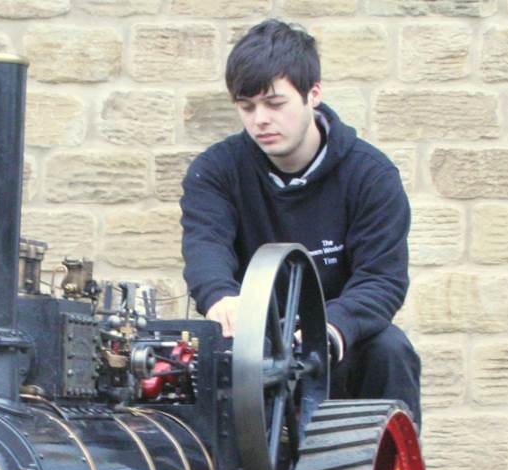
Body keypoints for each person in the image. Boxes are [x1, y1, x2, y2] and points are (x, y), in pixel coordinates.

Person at [180, 19, 422, 430]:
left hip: (341, 344)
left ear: (313, 94)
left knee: (390, 349)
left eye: (275, 104)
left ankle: (387, 466)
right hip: (250, 351)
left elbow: (382, 279)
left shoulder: (371, 175)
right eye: (246, 107)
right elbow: (206, 246)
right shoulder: (215, 172)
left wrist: (324, 332)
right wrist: (221, 298)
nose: (260, 120)